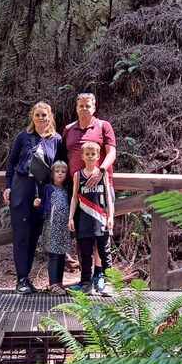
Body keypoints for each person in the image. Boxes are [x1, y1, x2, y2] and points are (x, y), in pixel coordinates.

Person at [4, 101, 64, 294]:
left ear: (50, 117)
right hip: (22, 188)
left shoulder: (56, 140)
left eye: (44, 115)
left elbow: (60, 166)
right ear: (32, 117)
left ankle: (39, 280)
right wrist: (8, 187)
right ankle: (22, 279)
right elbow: (12, 163)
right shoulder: (23, 137)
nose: (41, 118)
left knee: (35, 235)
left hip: (44, 192)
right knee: (22, 235)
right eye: (37, 115)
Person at [62, 92, 117, 294]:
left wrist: (101, 169)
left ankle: (100, 276)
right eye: (81, 106)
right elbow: (62, 157)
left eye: (88, 105)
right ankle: (85, 280)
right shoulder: (69, 130)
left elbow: (112, 151)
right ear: (76, 108)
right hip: (78, 186)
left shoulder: (103, 126)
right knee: (83, 233)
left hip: (101, 185)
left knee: (101, 233)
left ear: (94, 107)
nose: (84, 109)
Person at [68, 141, 115, 294]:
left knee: (105, 252)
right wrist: (70, 218)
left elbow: (108, 196)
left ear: (98, 156)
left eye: (93, 154)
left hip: (101, 219)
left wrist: (110, 216)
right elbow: (74, 197)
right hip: (84, 220)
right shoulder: (77, 175)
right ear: (82, 156)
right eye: (87, 154)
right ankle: (86, 284)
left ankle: (109, 284)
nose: (90, 157)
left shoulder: (103, 174)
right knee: (85, 253)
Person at [41, 160, 71, 294]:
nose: (60, 174)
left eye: (63, 172)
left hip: (63, 227)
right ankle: (53, 284)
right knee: (54, 255)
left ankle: (59, 283)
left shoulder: (66, 190)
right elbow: (43, 206)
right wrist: (38, 204)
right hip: (52, 226)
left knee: (61, 254)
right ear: (52, 174)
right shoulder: (48, 188)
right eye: (57, 171)